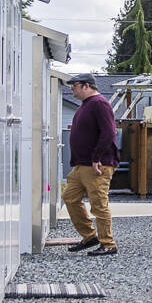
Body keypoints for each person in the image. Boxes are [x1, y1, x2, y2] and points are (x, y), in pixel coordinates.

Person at [61, 74, 120, 256]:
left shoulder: (99, 103)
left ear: (86, 86)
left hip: (96, 165)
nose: (72, 90)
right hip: (81, 165)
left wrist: (97, 158)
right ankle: (89, 236)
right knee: (69, 197)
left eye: (74, 86)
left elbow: (109, 132)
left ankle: (108, 244)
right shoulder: (86, 105)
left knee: (98, 204)